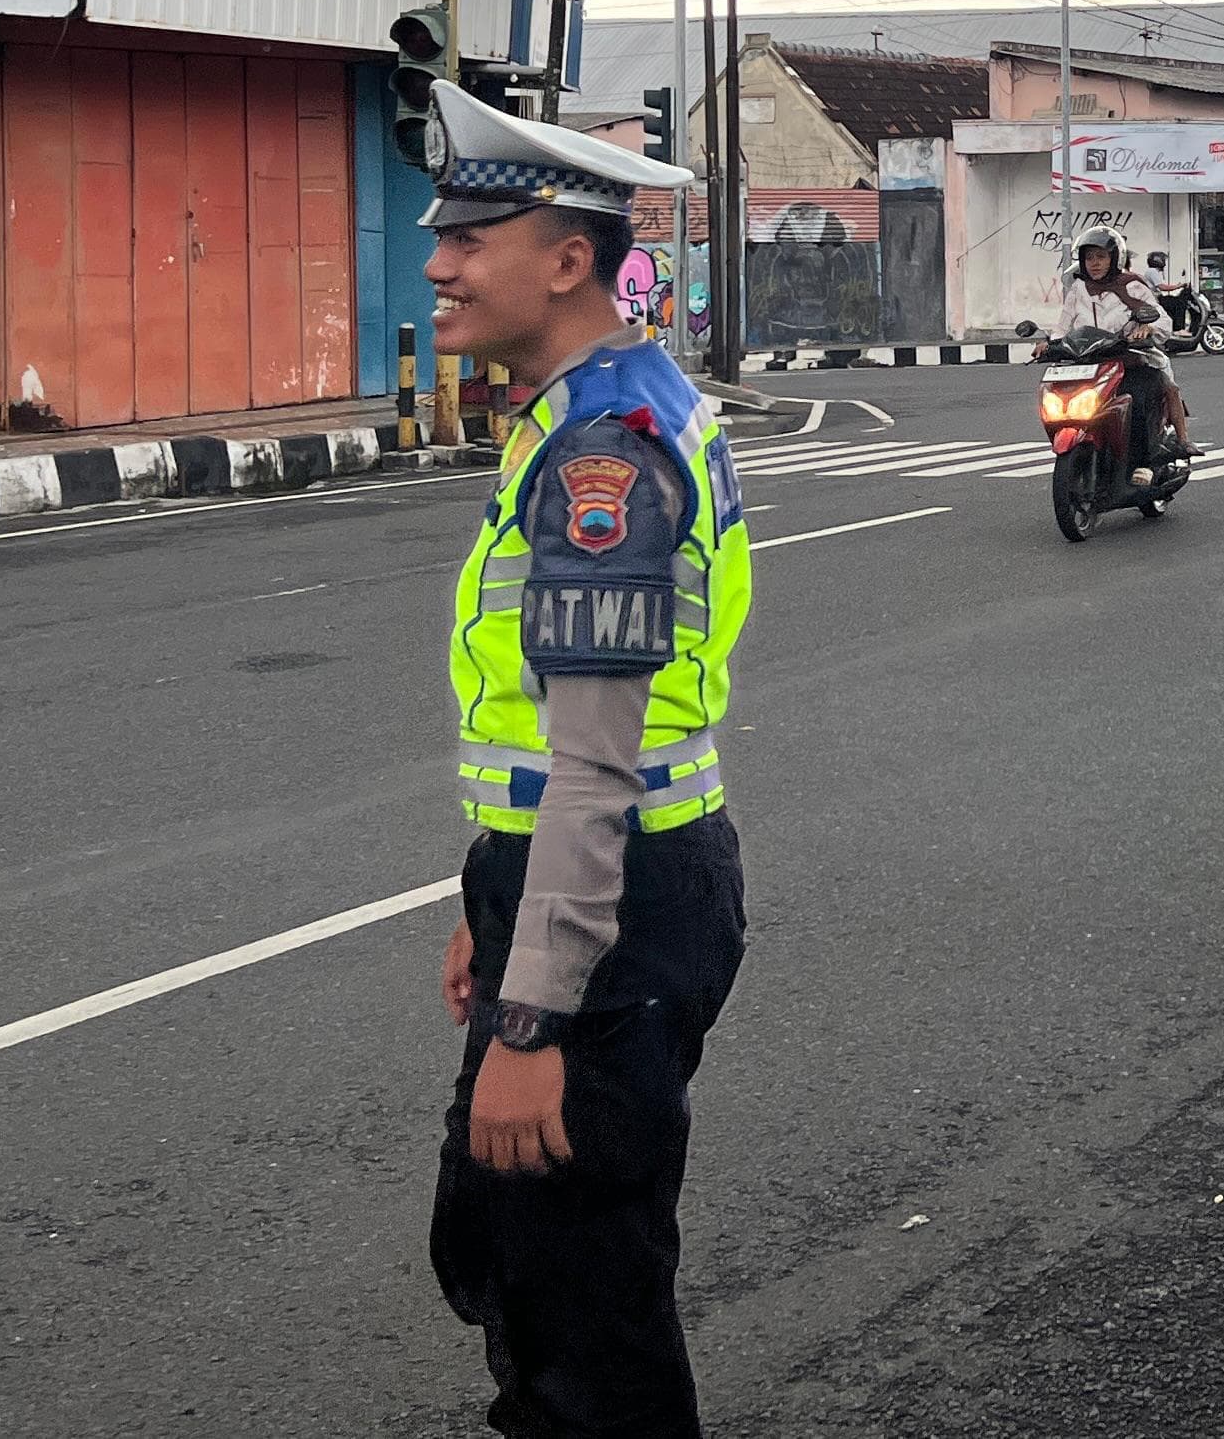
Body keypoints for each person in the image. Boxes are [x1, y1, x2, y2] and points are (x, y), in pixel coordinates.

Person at [417, 79, 752, 1438]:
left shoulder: (602, 450)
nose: (435, 264)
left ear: (565, 262)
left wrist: (533, 1012)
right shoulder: (587, 407)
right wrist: (481, 895)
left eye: (467, 242)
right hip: (577, 884)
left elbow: (597, 763)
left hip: (612, 912)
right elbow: (543, 730)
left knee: (587, 1309)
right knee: (503, 1242)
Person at [1049, 223, 1196, 461]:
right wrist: (1049, 344)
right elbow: (1062, 326)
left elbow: (1163, 321)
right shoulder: (1078, 289)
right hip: (1090, 364)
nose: (1094, 263)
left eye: (1101, 257)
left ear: (1114, 258)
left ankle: (1155, 455)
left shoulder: (1132, 285)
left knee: (1142, 399)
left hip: (1132, 360)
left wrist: (1147, 328)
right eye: (1089, 258)